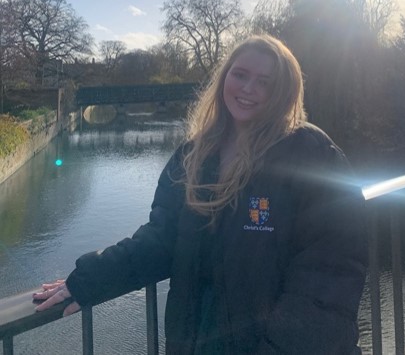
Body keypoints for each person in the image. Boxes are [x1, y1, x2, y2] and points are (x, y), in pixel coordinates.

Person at [33, 34, 367, 354]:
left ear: (285, 91)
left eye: (265, 82)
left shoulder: (311, 154)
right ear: (224, 78)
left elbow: (328, 279)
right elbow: (162, 239)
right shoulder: (194, 155)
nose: (249, 89)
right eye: (240, 75)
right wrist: (92, 278)